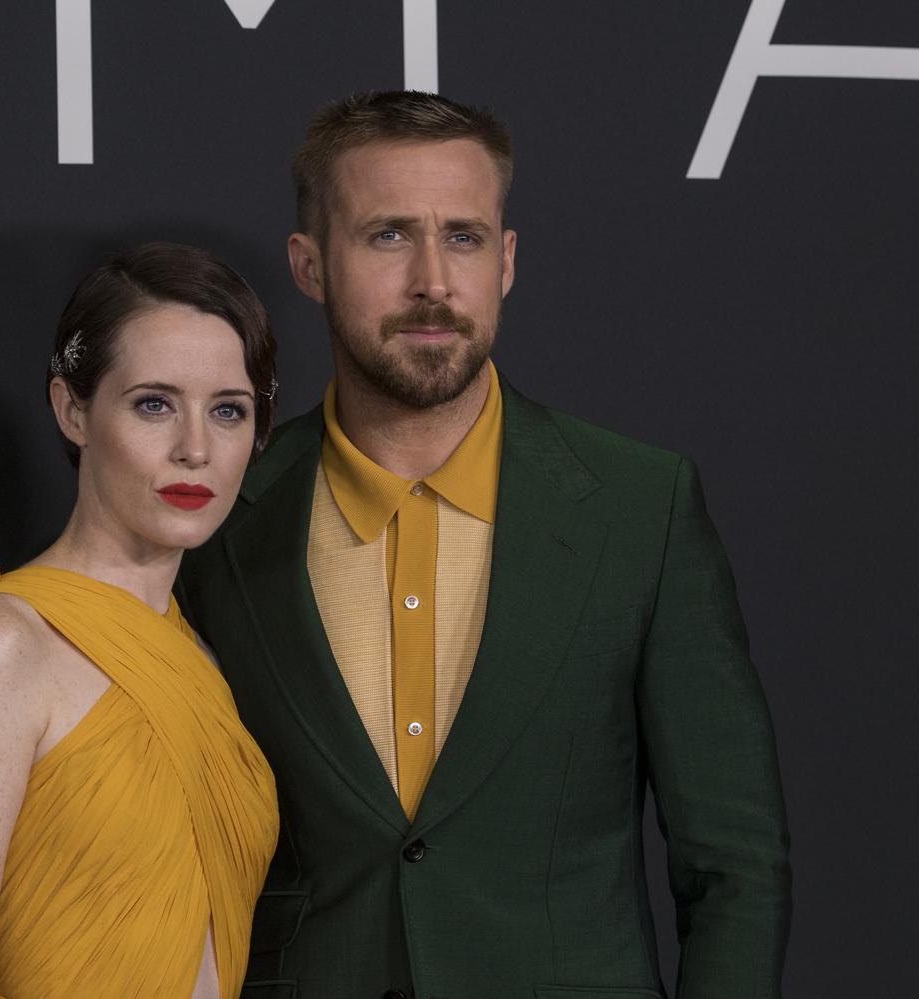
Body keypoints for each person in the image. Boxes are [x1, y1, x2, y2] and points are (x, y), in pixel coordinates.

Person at [177, 91, 792, 999]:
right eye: (387, 235)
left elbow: (735, 863)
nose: (432, 278)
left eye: (462, 237)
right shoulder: (222, 517)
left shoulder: (639, 506)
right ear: (309, 266)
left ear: (505, 261)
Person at [0, 242, 280, 999]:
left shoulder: (201, 659)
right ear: (72, 409)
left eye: (228, 410)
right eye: (153, 403)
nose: (196, 449)